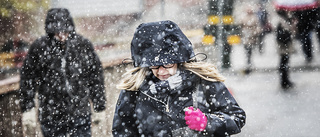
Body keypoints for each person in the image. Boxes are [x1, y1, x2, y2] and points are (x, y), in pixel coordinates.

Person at [112, 20, 246, 136]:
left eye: (168, 63)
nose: (161, 71)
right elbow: (122, 129)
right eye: (154, 65)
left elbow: (237, 117)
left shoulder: (203, 81)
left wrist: (207, 122)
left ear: (180, 60)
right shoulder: (135, 89)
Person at [19, 8, 106, 137]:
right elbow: (27, 79)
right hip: (51, 117)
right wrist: (28, 108)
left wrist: (99, 106)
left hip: (79, 114)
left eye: (65, 31)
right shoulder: (39, 48)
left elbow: (95, 76)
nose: (61, 35)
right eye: (57, 32)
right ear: (50, 31)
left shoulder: (83, 46)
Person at [275, 10, 296, 89]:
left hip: (285, 45)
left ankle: (285, 80)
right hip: (283, 46)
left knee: (285, 62)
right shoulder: (281, 21)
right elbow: (280, 34)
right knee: (284, 63)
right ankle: (284, 81)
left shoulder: (286, 20)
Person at [239, 5, 262, 74]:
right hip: (246, 37)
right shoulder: (243, 17)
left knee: (250, 52)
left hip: (252, 38)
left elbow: (258, 27)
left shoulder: (254, 18)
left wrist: (255, 32)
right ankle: (248, 64)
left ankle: (249, 64)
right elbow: (240, 26)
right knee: (247, 51)